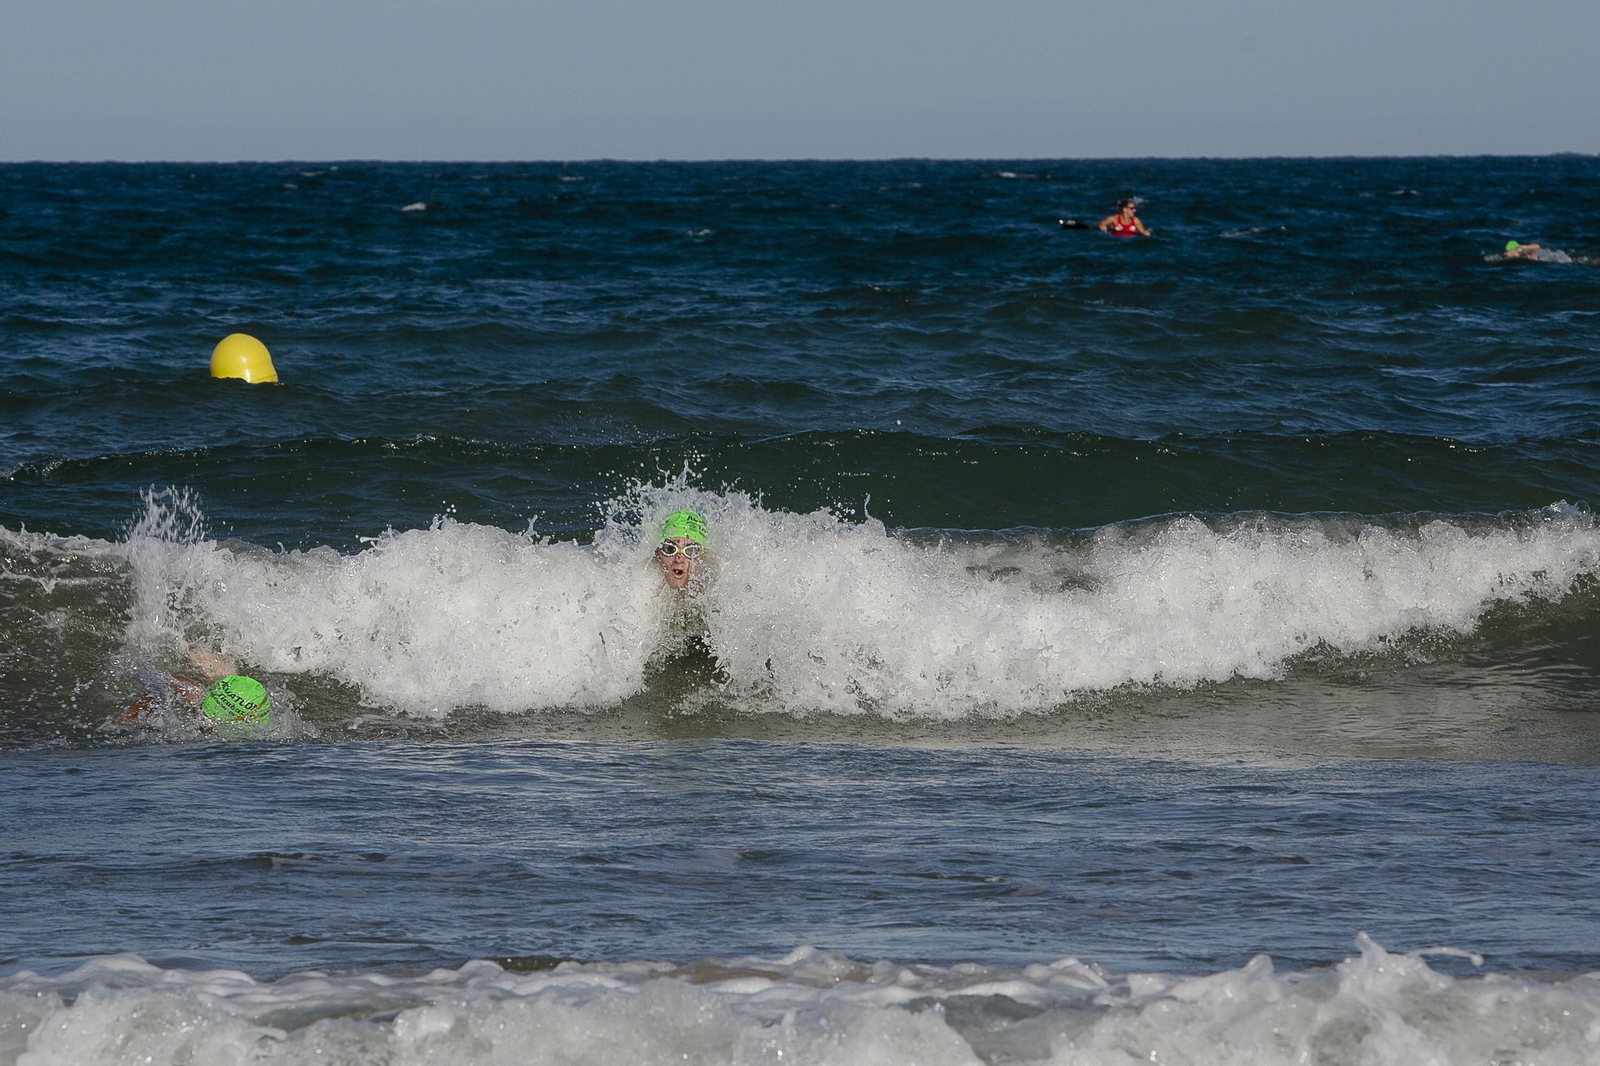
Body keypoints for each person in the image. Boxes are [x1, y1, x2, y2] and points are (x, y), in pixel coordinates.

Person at [116, 648, 270, 729]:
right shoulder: (198, 699)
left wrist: (131, 715)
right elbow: (170, 681)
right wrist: (134, 713)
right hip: (233, 699)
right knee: (211, 672)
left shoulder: (235, 728)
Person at [654, 508, 709, 591]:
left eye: (691, 551)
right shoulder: (636, 583)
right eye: (670, 548)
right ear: (657, 553)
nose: (678, 559)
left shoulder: (716, 589)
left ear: (701, 557)